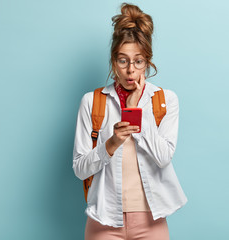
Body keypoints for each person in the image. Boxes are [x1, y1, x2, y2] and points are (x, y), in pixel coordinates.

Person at [72, 3, 188, 240]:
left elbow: (164, 157)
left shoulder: (166, 100)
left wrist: (135, 110)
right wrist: (111, 143)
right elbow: (80, 169)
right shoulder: (92, 102)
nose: (130, 70)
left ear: (147, 61)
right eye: (123, 61)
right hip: (103, 220)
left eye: (138, 61)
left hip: (151, 220)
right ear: (114, 61)